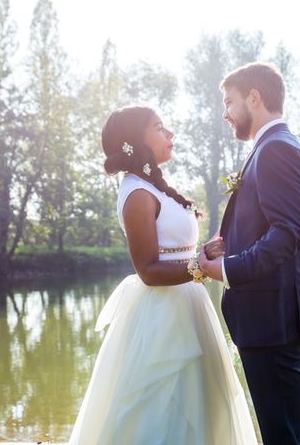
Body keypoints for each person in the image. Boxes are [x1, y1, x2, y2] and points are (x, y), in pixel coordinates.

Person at [69, 106, 256, 445]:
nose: (170, 133)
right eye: (160, 128)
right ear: (134, 141)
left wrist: (206, 252)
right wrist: (201, 268)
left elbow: (176, 250)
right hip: (161, 316)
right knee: (161, 410)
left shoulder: (153, 187)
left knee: (202, 408)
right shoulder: (137, 193)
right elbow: (149, 271)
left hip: (190, 305)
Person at [199, 62, 300, 445]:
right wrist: (230, 242)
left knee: (284, 434)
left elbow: (287, 234)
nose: (226, 112)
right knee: (288, 432)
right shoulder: (275, 147)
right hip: (274, 321)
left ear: (254, 98)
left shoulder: (276, 151)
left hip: (274, 321)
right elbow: (278, 228)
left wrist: (226, 269)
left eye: (230, 101)